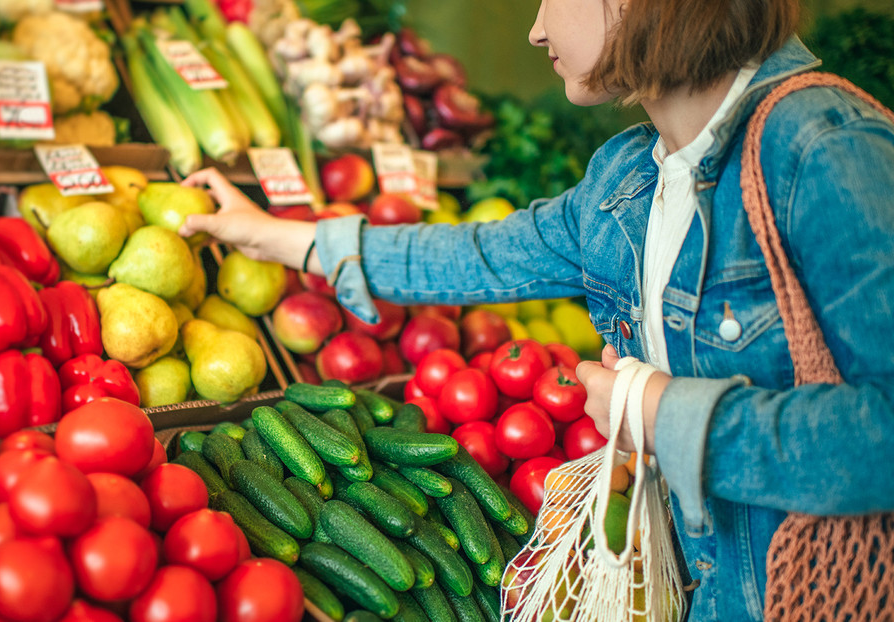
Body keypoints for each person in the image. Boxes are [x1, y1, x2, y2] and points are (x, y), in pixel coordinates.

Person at [178, 0, 894, 619]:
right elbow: (482, 255)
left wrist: (661, 412)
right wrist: (274, 236)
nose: (534, 29)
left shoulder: (825, 148)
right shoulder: (628, 179)